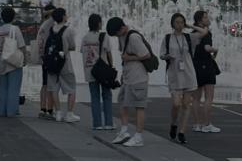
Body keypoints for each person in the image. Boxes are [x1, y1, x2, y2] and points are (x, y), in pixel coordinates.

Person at [107, 16, 150, 147]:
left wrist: (129, 58)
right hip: (127, 77)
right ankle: (124, 131)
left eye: (116, 33)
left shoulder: (133, 37)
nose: (116, 36)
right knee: (122, 103)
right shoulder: (122, 36)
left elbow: (146, 54)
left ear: (122, 28)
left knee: (139, 106)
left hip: (138, 77)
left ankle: (138, 137)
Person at [160, 12, 197, 146]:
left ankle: (182, 132)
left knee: (187, 104)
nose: (179, 25)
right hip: (175, 74)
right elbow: (161, 55)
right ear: (172, 23)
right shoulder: (167, 38)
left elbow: (204, 32)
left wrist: (190, 26)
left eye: (182, 22)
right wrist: (167, 56)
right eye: (177, 22)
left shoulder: (188, 37)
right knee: (176, 103)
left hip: (188, 73)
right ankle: (174, 123)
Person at [44, 8, 80, 123]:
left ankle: (58, 113)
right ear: (63, 17)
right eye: (66, 14)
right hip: (64, 63)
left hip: (51, 63)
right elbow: (73, 46)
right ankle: (69, 113)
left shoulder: (51, 29)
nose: (67, 15)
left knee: (54, 88)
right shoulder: (68, 30)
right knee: (71, 88)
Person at [81, 13, 114, 130]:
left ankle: (97, 124)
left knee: (94, 97)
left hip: (90, 70)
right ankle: (109, 123)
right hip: (103, 71)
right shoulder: (104, 37)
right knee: (107, 96)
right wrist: (112, 66)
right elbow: (109, 53)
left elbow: (83, 52)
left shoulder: (85, 38)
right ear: (98, 23)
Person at [190, 9, 221, 132]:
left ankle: (197, 124)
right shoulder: (206, 33)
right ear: (200, 21)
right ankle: (207, 124)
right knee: (208, 98)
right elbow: (207, 48)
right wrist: (216, 49)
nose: (208, 20)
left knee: (196, 99)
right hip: (207, 67)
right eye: (206, 18)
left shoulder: (192, 33)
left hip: (195, 67)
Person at [0, 6, 26, 117]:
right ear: (13, 17)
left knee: (3, 87)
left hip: (2, 61)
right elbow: (22, 46)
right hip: (14, 61)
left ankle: (2, 110)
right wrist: (25, 59)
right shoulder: (15, 29)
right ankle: (11, 111)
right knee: (14, 87)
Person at [36, 3, 56, 119]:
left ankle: (43, 109)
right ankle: (49, 110)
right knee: (50, 84)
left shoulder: (44, 24)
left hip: (44, 57)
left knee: (45, 83)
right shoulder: (50, 24)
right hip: (49, 57)